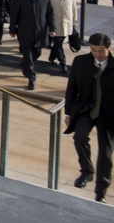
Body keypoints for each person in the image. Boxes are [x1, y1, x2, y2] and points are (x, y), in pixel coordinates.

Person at [64, 33, 114, 203]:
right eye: (94, 51)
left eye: (101, 51)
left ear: (109, 48)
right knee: (79, 136)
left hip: (108, 114)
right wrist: (69, 113)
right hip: (87, 109)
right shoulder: (80, 62)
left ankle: (101, 190)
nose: (98, 54)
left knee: (105, 153)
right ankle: (87, 171)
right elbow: (72, 88)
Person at [9, 0, 55, 90]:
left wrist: (52, 29)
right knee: (28, 56)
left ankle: (26, 66)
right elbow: (14, 15)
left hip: (40, 32)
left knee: (37, 53)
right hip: (25, 31)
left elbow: (50, 14)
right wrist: (12, 29)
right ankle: (31, 77)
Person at [44, 0, 77, 75]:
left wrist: (74, 21)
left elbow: (74, 7)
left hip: (67, 23)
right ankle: (63, 63)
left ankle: (52, 56)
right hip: (55, 24)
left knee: (59, 42)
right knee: (58, 44)